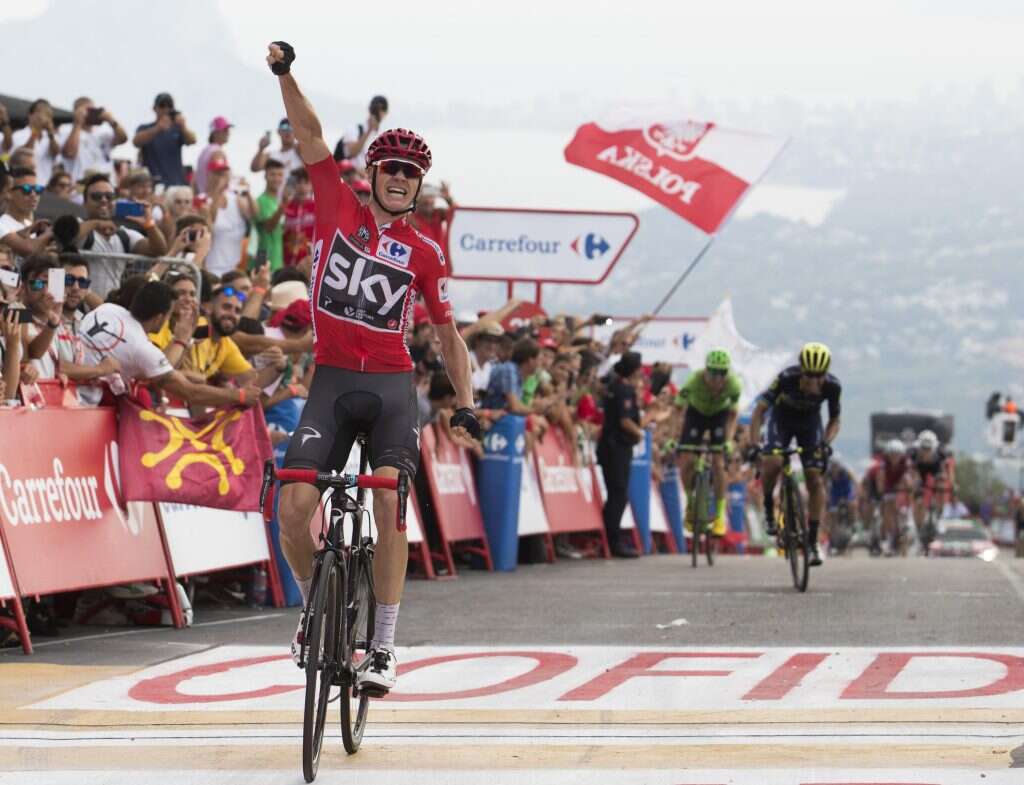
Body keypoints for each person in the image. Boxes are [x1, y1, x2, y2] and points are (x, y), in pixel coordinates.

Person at [267, 41, 479, 694]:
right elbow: (309, 133)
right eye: (391, 168)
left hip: (390, 387)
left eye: (410, 174)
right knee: (292, 506)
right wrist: (286, 74)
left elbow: (447, 334)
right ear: (374, 171)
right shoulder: (336, 203)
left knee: (388, 498)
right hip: (331, 379)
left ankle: (383, 645)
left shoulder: (427, 251)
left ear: (418, 185)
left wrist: (465, 401)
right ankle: (313, 607)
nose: (399, 179)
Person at [77, 279, 261, 407]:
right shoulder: (142, 347)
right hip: (83, 402)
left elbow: (149, 370)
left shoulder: (108, 308)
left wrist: (183, 340)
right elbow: (190, 392)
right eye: (169, 314)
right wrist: (239, 395)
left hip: (70, 387)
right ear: (159, 318)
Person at [748, 342, 841, 567]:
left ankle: (813, 541)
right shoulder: (786, 378)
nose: (814, 381)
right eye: (809, 375)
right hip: (781, 420)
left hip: (809, 424)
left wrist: (825, 443)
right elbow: (759, 411)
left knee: (814, 477)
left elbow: (834, 420)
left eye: (819, 376)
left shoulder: (832, 386)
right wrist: (754, 445)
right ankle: (769, 507)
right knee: (773, 462)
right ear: (801, 371)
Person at [674, 348, 741, 539]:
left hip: (719, 416)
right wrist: (674, 437)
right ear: (705, 371)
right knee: (687, 460)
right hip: (695, 415)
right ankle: (690, 505)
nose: (718, 379)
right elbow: (677, 409)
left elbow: (733, 416)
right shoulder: (693, 381)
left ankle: (719, 517)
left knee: (719, 463)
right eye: (713, 373)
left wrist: (729, 441)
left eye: (722, 373)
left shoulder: (734, 385)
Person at [597, 351, 646, 558]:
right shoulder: (624, 389)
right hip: (616, 447)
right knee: (618, 494)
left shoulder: (613, 386)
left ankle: (609, 538)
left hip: (610, 446)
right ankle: (613, 541)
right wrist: (640, 433)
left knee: (615, 494)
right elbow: (625, 421)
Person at [202, 155, 255, 276]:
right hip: (213, 268)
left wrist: (248, 192)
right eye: (218, 174)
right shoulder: (202, 200)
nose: (223, 178)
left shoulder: (235, 199)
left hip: (235, 268)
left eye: (225, 174)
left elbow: (253, 215)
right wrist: (218, 191)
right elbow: (210, 226)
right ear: (209, 175)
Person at [132, 93, 196, 186]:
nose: (166, 109)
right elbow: (136, 142)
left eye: (169, 106)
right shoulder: (145, 128)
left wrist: (183, 127)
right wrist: (158, 128)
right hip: (154, 184)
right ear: (155, 108)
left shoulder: (177, 129)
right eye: (162, 106)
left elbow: (192, 140)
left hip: (176, 183)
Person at [863, 439, 913, 556]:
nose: (895, 458)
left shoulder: (906, 462)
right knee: (885, 506)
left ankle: (901, 527)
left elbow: (909, 478)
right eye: (892, 455)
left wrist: (909, 489)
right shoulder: (883, 463)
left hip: (894, 483)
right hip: (875, 482)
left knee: (897, 503)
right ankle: (878, 535)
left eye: (897, 455)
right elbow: (880, 481)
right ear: (888, 455)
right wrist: (882, 493)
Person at [59, 97, 128, 181]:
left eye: (93, 110)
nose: (91, 114)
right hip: (81, 183)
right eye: (88, 110)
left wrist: (111, 120)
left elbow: (123, 139)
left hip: (106, 182)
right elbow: (70, 153)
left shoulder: (102, 133)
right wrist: (77, 123)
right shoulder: (66, 131)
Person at [0, 168, 52, 261]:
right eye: (26, 189)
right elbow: (29, 250)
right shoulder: (2, 224)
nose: (33, 194)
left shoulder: (29, 225)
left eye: (38, 189)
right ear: (9, 193)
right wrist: (53, 231)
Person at [909, 429, 954, 531]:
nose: (926, 451)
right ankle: (916, 523)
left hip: (935, 469)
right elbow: (911, 471)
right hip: (920, 471)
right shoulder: (913, 452)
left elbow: (947, 470)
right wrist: (915, 485)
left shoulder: (941, 452)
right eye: (923, 448)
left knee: (941, 485)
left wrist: (951, 484)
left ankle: (940, 515)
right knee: (918, 497)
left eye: (928, 449)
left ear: (934, 447)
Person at [11, 100, 61, 185]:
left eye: (48, 114)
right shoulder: (18, 135)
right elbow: (23, 155)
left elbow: (56, 153)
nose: (43, 117)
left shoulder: (52, 137)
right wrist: (36, 130)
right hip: (24, 184)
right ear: (30, 114)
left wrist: (50, 133)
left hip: (44, 185)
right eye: (40, 112)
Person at [252, 159, 286, 272]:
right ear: (265, 176)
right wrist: (283, 207)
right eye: (272, 174)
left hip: (277, 260)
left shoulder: (277, 201)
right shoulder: (261, 200)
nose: (276, 179)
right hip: (262, 257)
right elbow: (268, 227)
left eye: (280, 175)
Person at [282, 168, 315, 269]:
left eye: (306, 183)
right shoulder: (285, 206)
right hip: (286, 263)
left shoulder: (317, 207)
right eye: (298, 182)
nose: (302, 187)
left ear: (311, 185)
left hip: (309, 263)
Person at [824, 457, 858, 553]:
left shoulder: (846, 471)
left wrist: (855, 495)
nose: (834, 469)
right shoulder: (828, 473)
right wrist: (827, 496)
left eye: (836, 466)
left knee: (852, 504)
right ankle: (833, 537)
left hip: (847, 491)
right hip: (835, 492)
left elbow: (855, 482)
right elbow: (824, 485)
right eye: (833, 467)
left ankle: (853, 524)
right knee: (832, 513)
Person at [195, 116, 233, 194]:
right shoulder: (217, 152)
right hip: (214, 198)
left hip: (205, 196)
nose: (228, 133)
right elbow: (217, 179)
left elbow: (194, 180)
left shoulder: (204, 151)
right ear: (215, 133)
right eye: (225, 130)